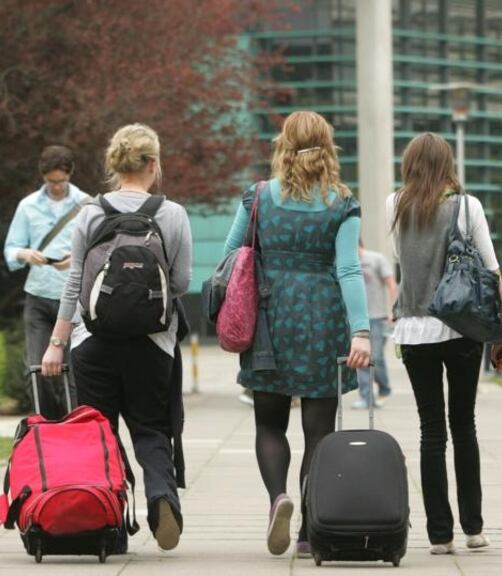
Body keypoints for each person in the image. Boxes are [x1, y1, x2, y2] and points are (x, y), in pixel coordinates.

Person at [222, 111, 371, 558]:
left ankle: (277, 498)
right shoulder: (342, 202)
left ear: (282, 145)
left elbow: (232, 255)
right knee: (319, 432)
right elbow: (348, 268)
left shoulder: (258, 197)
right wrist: (361, 332)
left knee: (269, 422)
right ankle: (308, 530)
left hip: (268, 318)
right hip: (323, 320)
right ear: (329, 147)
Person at [41, 124, 193, 552]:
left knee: (98, 433)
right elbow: (179, 281)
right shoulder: (173, 213)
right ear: (152, 163)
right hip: (153, 343)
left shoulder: (89, 212)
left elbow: (74, 283)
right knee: (151, 428)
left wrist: (56, 343)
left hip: (93, 342)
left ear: (114, 164)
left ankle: (104, 521)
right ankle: (162, 496)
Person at [388, 132, 502, 555]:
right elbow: (492, 272)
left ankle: (439, 536)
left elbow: (404, 264)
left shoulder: (394, 205)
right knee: (464, 425)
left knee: (430, 432)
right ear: (448, 164)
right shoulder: (467, 206)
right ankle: (474, 528)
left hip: (413, 328)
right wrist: (500, 334)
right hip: (460, 327)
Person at [3, 145, 90, 419]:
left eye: (61, 182)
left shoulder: (87, 205)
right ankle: (50, 425)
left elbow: (98, 251)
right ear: (43, 178)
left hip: (74, 299)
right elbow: (10, 249)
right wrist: (24, 254)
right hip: (39, 296)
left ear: (70, 175)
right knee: (37, 369)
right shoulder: (28, 206)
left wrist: (76, 258)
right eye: (51, 182)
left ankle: (76, 425)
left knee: (76, 371)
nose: (56, 187)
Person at [353, 239, 397, 409]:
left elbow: (392, 285)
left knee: (376, 357)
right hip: (357, 319)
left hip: (377, 317)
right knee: (362, 358)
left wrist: (393, 310)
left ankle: (384, 387)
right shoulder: (345, 261)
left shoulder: (376, 259)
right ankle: (366, 397)